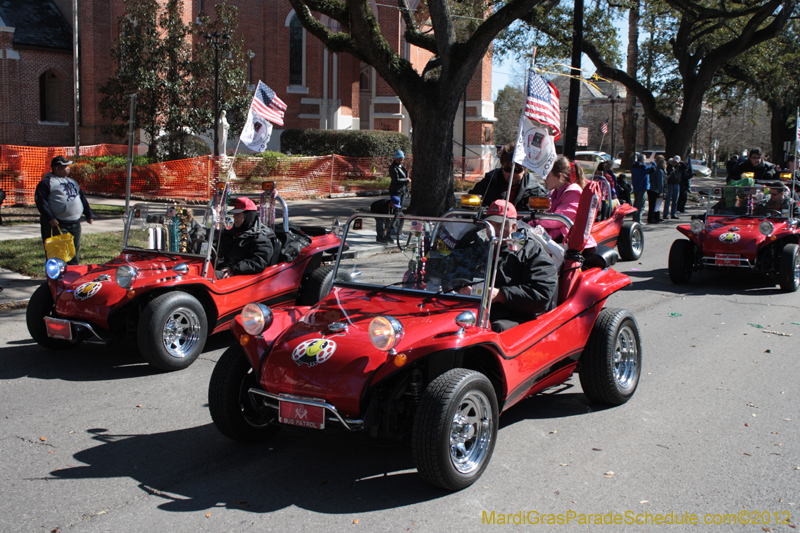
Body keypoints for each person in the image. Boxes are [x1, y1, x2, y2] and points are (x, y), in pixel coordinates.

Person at [457, 200, 558, 332]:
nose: (493, 231)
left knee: (497, 328)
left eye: (499, 226)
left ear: (513, 227)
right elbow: (452, 272)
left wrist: (502, 295)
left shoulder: (532, 252)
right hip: (472, 310)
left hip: (516, 315)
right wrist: (460, 288)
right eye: (490, 226)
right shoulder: (476, 247)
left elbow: (542, 294)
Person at [35, 155, 94, 265]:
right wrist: (50, 217)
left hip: (75, 223)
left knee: (73, 252)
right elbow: (41, 202)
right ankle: (55, 280)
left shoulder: (72, 182)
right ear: (57, 168)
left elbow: (81, 198)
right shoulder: (46, 182)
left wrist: (88, 214)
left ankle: (72, 278)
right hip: (57, 224)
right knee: (58, 254)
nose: (68, 168)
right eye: (66, 166)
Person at [533, 156, 598, 250]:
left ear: (559, 176)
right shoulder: (553, 193)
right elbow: (545, 214)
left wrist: (534, 221)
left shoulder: (573, 192)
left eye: (547, 175)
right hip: (553, 237)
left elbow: (557, 220)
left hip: (569, 240)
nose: (544, 179)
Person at [469, 141, 546, 212]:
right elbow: (470, 203)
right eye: (507, 169)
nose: (512, 174)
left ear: (525, 169)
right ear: (502, 167)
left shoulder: (534, 188)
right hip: (492, 224)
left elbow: (544, 214)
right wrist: (484, 209)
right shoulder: (488, 182)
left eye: (517, 170)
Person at [215, 197, 275, 279]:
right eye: (234, 214)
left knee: (207, 278)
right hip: (224, 268)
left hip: (241, 274)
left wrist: (234, 269)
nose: (235, 217)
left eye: (238, 214)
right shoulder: (230, 234)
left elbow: (259, 262)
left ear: (248, 216)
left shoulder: (260, 238)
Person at [630, 153, 652, 223]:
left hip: (636, 186)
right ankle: (638, 219)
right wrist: (653, 163)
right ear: (642, 160)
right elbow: (652, 169)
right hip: (642, 187)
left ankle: (635, 218)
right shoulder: (643, 168)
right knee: (641, 204)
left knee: (636, 203)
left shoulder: (633, 167)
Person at [648, 156, 666, 223]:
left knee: (652, 205)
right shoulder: (660, 171)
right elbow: (660, 182)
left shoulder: (653, 170)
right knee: (655, 205)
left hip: (650, 189)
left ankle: (653, 217)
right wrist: (661, 191)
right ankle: (652, 218)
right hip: (655, 189)